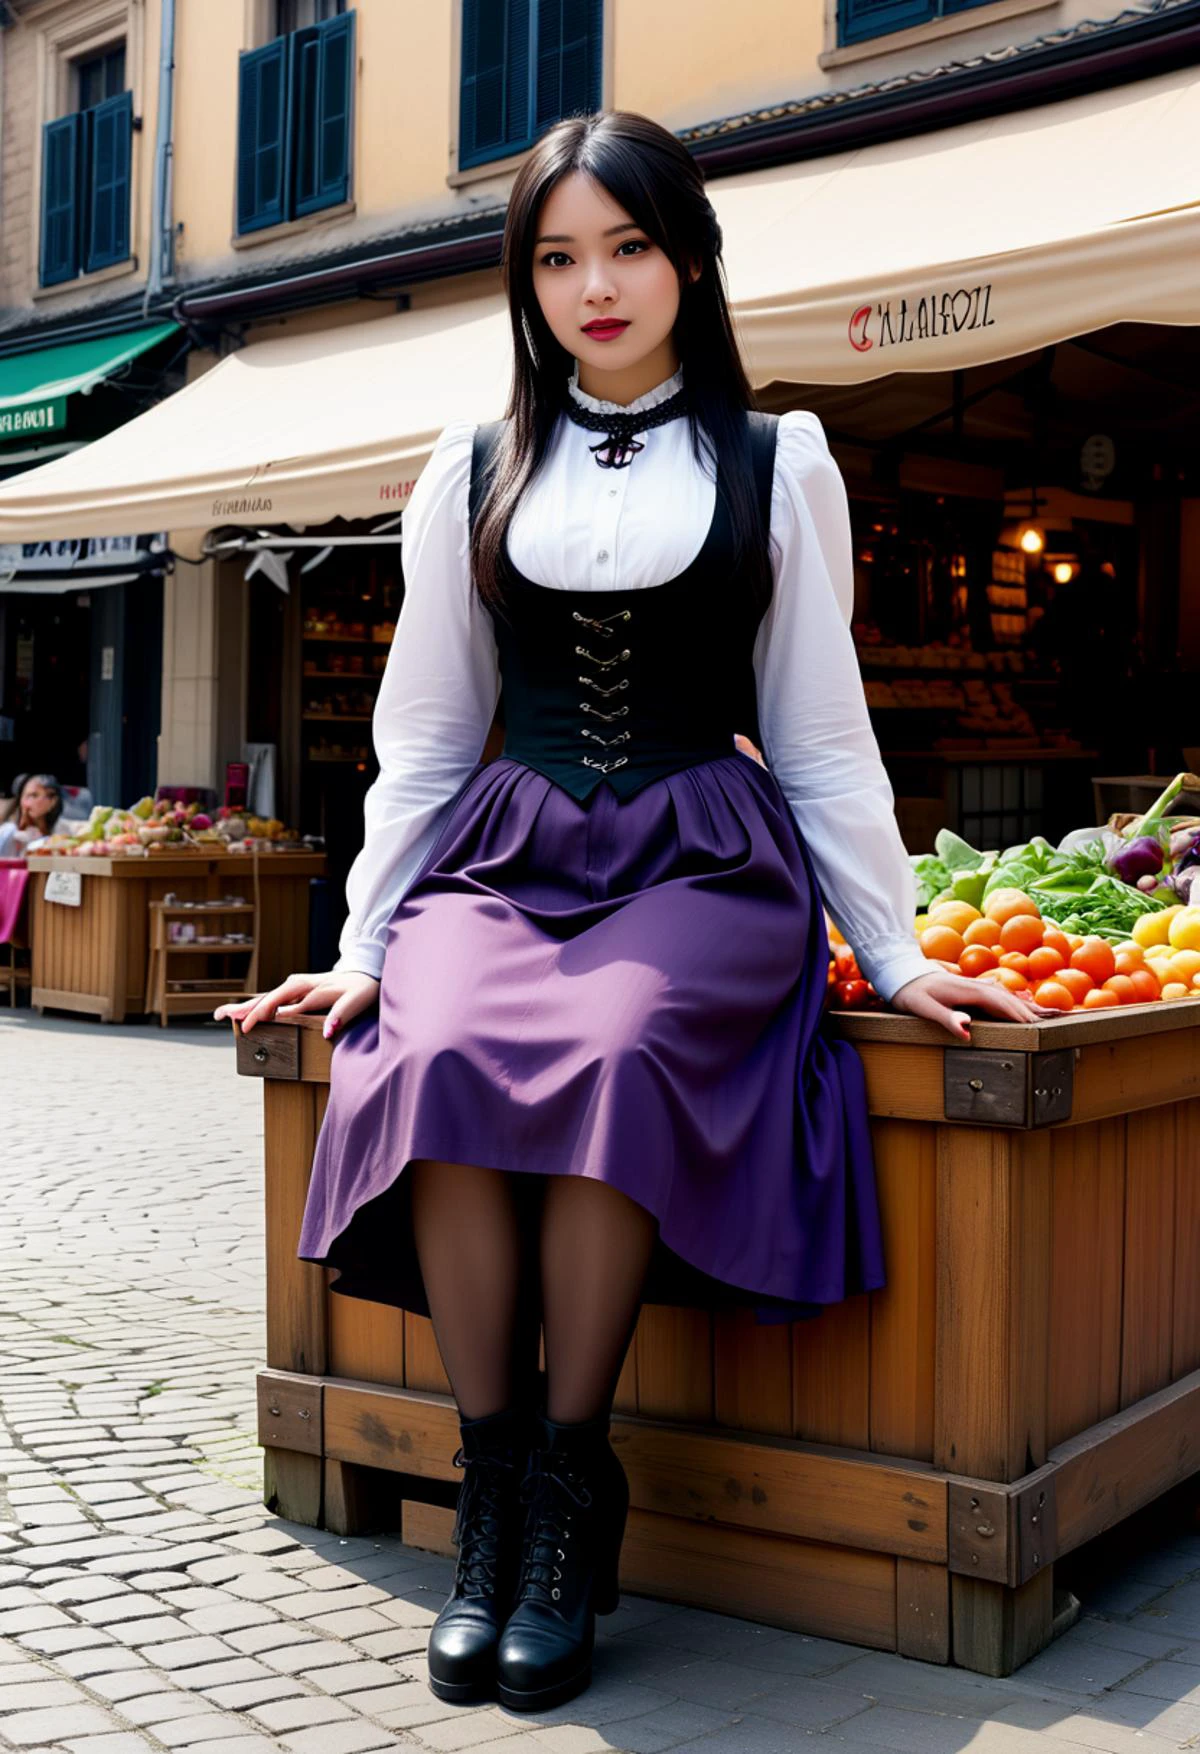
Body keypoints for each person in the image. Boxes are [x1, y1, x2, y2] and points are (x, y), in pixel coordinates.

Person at [216, 110, 1044, 1714]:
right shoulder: (469, 462)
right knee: (436, 1046)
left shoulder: (775, 458)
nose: (594, 284)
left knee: (619, 1048)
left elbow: (817, 730)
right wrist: (364, 944)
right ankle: (497, 1487)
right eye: (556, 256)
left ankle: (577, 1485)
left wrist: (898, 951)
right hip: (507, 849)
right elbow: (427, 736)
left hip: (701, 858)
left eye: (627, 247)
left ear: (687, 260)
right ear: (525, 280)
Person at [0, 773, 64, 857]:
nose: (26, 803)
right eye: (24, 796)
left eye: (33, 796)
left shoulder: (60, 831)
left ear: (52, 801)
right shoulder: (9, 831)